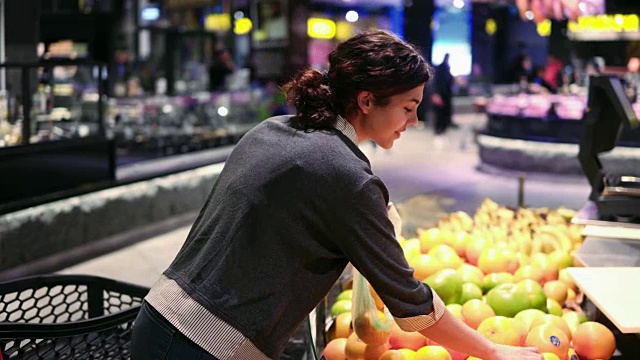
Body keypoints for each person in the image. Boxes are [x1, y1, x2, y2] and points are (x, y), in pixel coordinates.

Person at [130, 30, 543, 360]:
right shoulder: (346, 174)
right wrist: (492, 351)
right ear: (366, 101)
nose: (415, 120)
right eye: (408, 107)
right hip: (203, 345)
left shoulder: (273, 129)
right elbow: (409, 304)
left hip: (159, 319)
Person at [431, 53, 455, 135]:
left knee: (444, 112)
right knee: (439, 113)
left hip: (446, 94)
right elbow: (437, 82)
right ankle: (438, 129)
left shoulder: (446, 67)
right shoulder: (441, 68)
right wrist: (436, 94)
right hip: (441, 94)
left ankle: (443, 127)